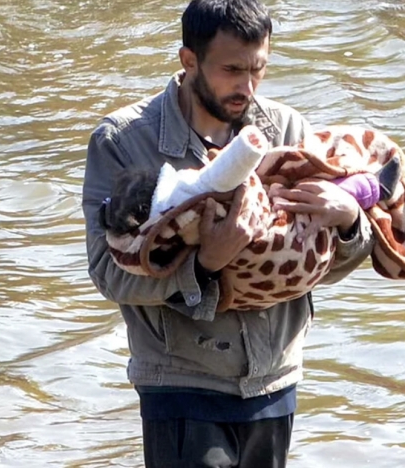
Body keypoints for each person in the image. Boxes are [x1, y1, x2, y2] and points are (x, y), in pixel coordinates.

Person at [81, 0, 374, 466]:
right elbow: (106, 273)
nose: (248, 86)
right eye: (232, 69)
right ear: (188, 60)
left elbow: (312, 265)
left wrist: (348, 222)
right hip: (180, 381)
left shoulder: (289, 130)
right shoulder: (121, 141)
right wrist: (204, 265)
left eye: (258, 69)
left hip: (274, 378)